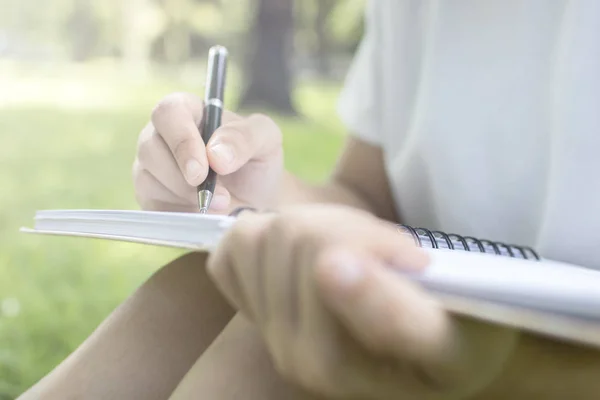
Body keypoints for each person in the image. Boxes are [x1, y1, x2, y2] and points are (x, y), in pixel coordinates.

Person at [19, 1, 600, 399]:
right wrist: (266, 194)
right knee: (203, 286)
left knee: (276, 343)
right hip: (434, 315)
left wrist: (514, 374)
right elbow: (371, 197)